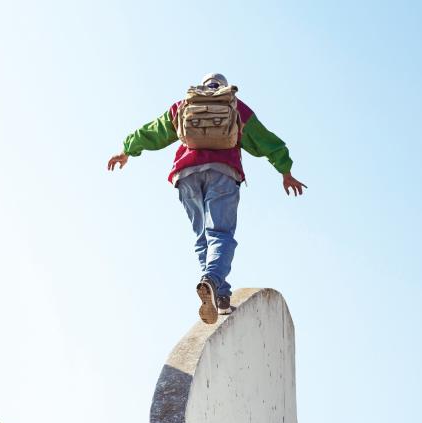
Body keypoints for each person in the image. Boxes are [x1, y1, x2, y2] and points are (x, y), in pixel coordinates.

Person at [107, 72, 306, 324]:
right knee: (220, 234)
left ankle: (219, 296)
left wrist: (127, 150)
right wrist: (285, 171)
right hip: (223, 173)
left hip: (186, 175)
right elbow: (266, 141)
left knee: (203, 237)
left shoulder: (185, 105)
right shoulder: (235, 106)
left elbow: (153, 131)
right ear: (224, 88)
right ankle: (212, 280)